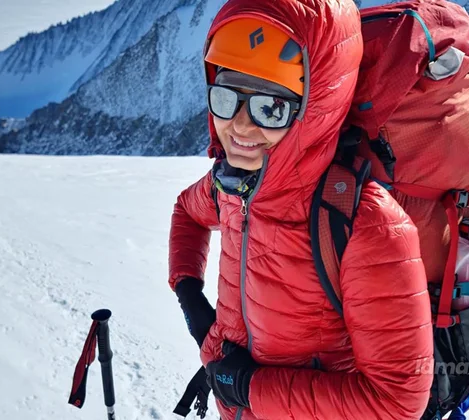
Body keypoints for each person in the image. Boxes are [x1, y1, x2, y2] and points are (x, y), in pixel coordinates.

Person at [168, 0, 433, 419]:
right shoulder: (233, 186)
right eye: (226, 96)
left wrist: (247, 387)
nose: (239, 126)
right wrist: (189, 295)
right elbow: (187, 211)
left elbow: (397, 403)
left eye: (269, 107)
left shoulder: (365, 224)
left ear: (314, 109)